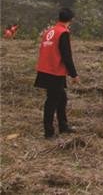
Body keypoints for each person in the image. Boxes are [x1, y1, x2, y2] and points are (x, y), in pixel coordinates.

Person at [34, 8, 80, 139]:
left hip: (45, 69)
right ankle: (48, 132)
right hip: (54, 71)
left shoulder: (50, 31)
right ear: (71, 20)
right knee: (52, 102)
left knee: (61, 98)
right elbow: (66, 55)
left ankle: (63, 125)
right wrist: (74, 74)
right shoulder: (63, 33)